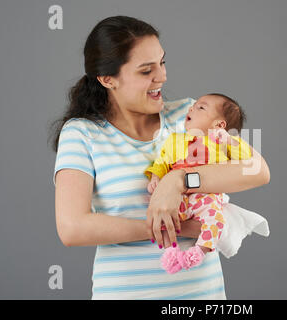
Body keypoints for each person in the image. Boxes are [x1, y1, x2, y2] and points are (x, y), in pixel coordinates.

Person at [50, 16, 270, 300]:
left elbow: (258, 170)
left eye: (162, 63)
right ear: (108, 79)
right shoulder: (82, 133)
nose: (163, 76)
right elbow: (72, 228)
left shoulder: (190, 115)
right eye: (146, 70)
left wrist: (177, 180)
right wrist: (170, 227)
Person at [145, 93, 252, 274]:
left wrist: (229, 140)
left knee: (216, 220)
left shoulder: (221, 144)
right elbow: (162, 162)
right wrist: (155, 178)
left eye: (200, 107)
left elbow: (246, 159)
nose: (191, 108)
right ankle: (171, 251)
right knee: (163, 217)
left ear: (219, 125)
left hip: (207, 196)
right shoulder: (175, 140)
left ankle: (198, 252)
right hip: (177, 196)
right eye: (193, 106)